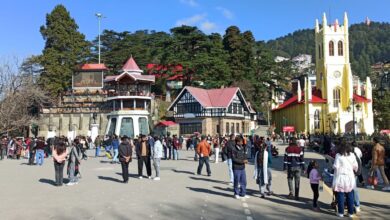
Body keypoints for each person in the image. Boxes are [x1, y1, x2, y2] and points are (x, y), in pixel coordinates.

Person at [332, 140, 358, 218]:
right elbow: (355, 166)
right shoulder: (352, 155)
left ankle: (341, 212)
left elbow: (335, 166)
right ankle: (350, 213)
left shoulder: (338, 155)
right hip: (350, 177)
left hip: (341, 177)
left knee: (340, 195)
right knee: (350, 195)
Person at [352, 141, 363, 213]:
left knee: (353, 188)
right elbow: (361, 156)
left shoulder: (352, 154)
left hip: (352, 173)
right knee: (353, 188)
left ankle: (356, 204)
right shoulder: (358, 150)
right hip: (355, 171)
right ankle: (356, 205)